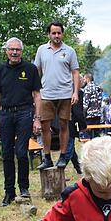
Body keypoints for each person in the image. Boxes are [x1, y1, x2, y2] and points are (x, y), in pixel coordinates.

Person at [0, 37, 42, 206]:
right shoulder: (0, 70)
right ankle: (9, 192)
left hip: (24, 113)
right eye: (11, 49)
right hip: (5, 115)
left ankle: (24, 188)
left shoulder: (31, 69)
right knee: (6, 153)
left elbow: (37, 95)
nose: (14, 52)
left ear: (21, 51)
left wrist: (37, 119)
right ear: (6, 51)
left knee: (21, 152)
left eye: (17, 50)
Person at [34, 21, 81, 170]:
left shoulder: (69, 51)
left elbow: (75, 72)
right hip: (46, 94)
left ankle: (62, 156)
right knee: (45, 126)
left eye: (59, 33)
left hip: (65, 94)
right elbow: (37, 71)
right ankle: (47, 157)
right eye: (53, 33)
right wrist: (35, 91)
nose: (56, 36)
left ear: (62, 34)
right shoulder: (42, 50)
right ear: (49, 34)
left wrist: (75, 92)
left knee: (63, 125)